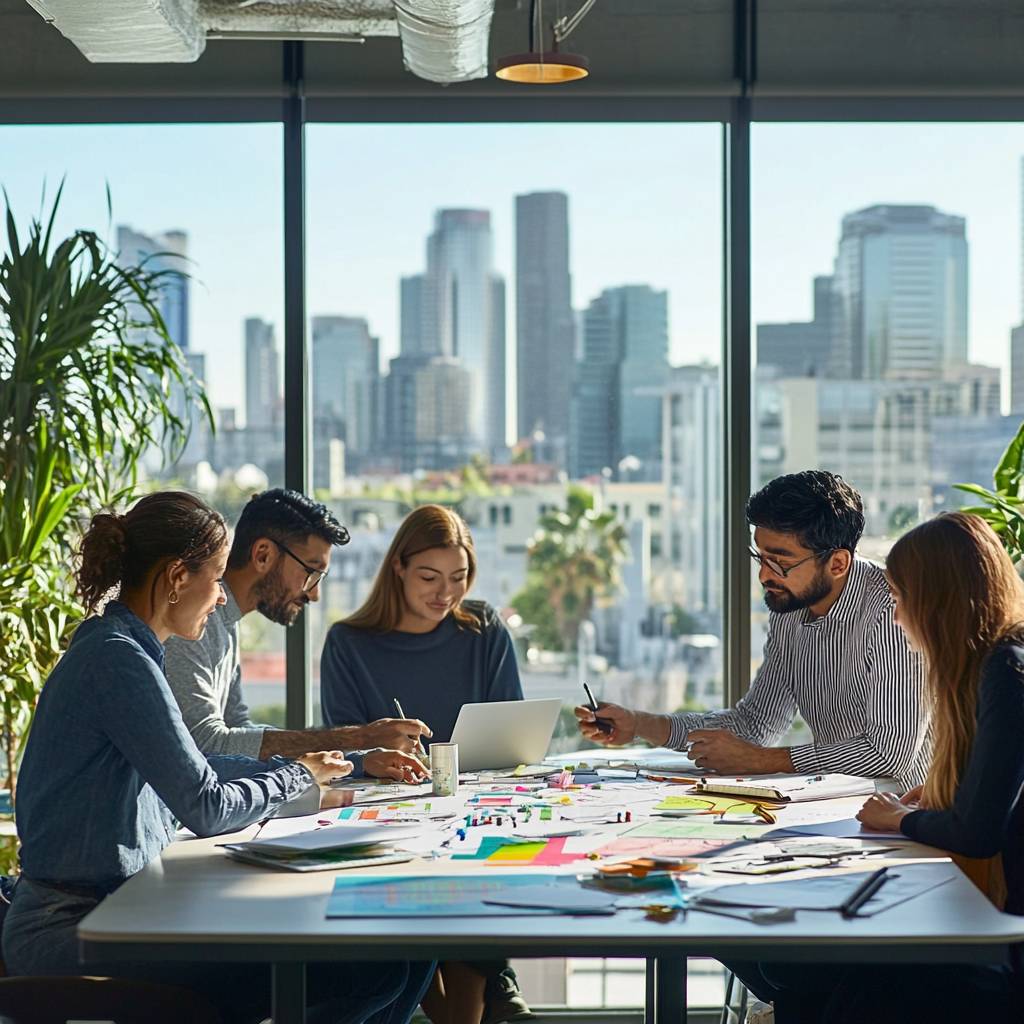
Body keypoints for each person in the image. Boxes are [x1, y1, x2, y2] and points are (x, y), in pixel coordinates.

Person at [3, 491, 434, 1024]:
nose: (221, 597)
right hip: (74, 931)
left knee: (402, 957)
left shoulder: (124, 651)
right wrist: (296, 774)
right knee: (372, 969)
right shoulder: (119, 662)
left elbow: (201, 767)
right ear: (177, 578)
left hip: (115, 911)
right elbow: (206, 803)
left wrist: (335, 766)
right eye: (213, 579)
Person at [738, 512, 1024, 1023]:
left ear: (938, 601)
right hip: (987, 920)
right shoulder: (992, 667)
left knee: (809, 972)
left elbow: (979, 833)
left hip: (1000, 945)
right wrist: (937, 799)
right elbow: (986, 804)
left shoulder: (1005, 671)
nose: (894, 615)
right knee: (793, 967)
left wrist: (898, 820)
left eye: (900, 597)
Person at [576, 470, 929, 788]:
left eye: (780, 562)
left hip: (915, 819)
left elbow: (888, 754)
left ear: (838, 563)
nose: (764, 575)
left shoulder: (893, 611)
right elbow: (755, 724)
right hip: (844, 810)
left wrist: (761, 761)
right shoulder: (790, 607)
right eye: (761, 557)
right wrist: (639, 724)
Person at [320, 504, 529, 1024]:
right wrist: (374, 760)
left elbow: (511, 731)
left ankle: (491, 994)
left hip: (475, 808)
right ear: (399, 568)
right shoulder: (348, 644)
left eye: (459, 578)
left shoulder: (484, 629)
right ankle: (499, 989)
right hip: (388, 817)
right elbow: (345, 754)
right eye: (430, 577)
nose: (445, 594)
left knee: (466, 878)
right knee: (449, 901)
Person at [164, 488, 432, 777]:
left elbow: (239, 732)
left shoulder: (225, 624)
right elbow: (206, 744)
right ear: (263, 555)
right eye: (311, 572)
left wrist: (355, 761)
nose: (314, 594)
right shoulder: (194, 624)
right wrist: (359, 738)